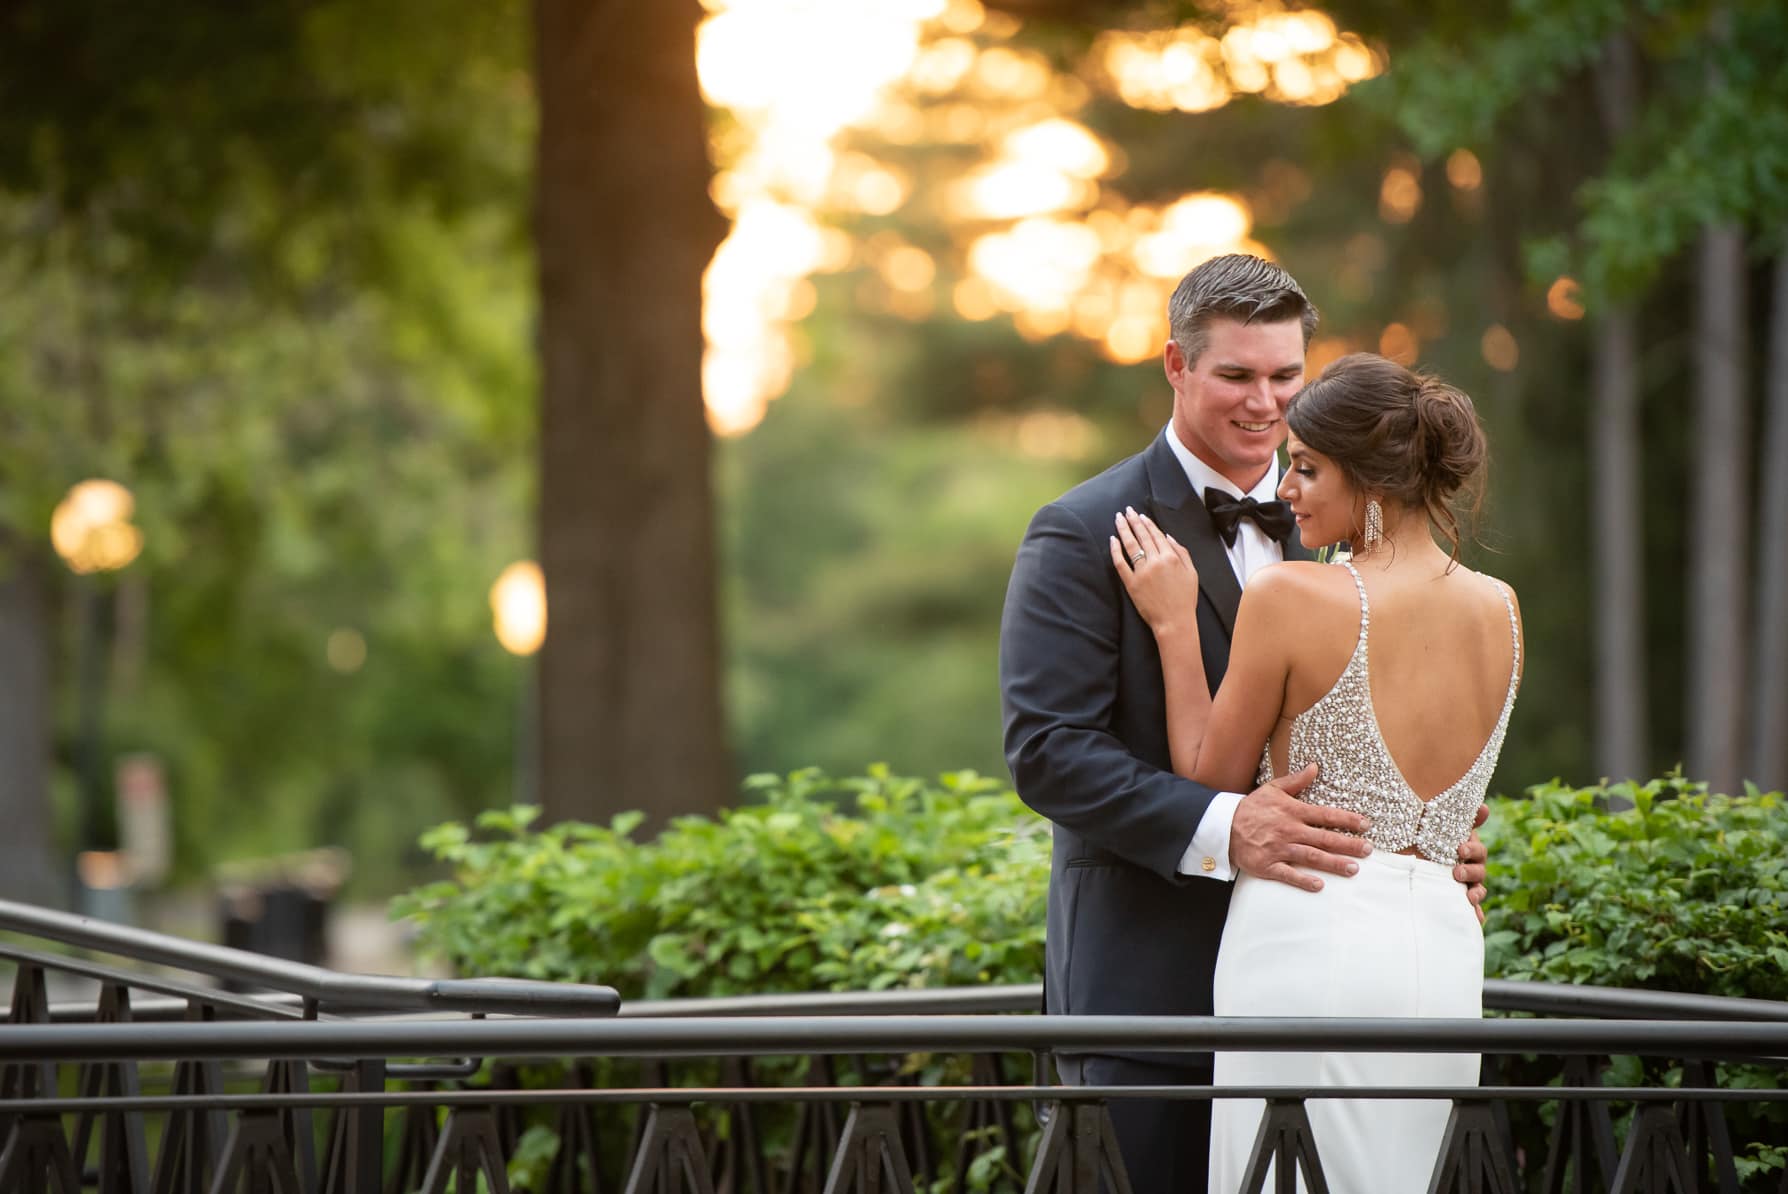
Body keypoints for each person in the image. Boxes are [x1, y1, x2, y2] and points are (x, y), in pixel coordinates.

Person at [999, 252, 1489, 1189]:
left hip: (1337, 985)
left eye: (1284, 377)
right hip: (1153, 1003)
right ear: (1178, 367)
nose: (1264, 404)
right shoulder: (1080, 528)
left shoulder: (1349, 527)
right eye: (1236, 376)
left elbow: (1385, 729)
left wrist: (1419, 840)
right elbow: (1048, 753)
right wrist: (1232, 829)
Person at [1109, 351, 1521, 1193]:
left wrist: (1175, 625)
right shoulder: (1500, 606)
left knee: (1286, 1173)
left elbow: (1206, 775)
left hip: (1308, 936)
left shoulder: (1295, 597)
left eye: (1305, 467)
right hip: (1443, 950)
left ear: (1370, 478)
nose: (1286, 489)